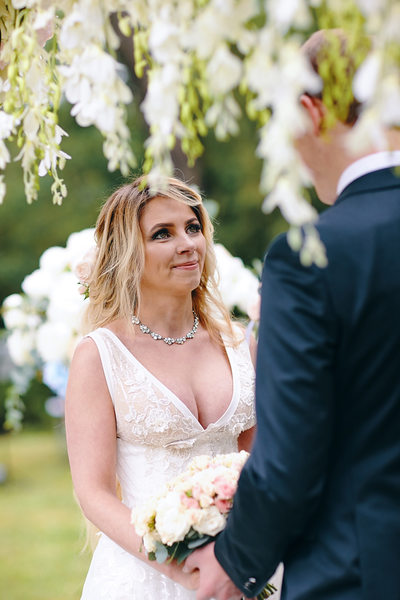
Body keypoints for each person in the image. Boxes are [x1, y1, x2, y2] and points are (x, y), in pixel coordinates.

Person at [185, 29, 400, 600]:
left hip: (364, 572)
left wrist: (235, 560)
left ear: (312, 111)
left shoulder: (312, 256)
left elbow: (290, 454)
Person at [65, 175, 257, 599]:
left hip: (243, 563)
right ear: (127, 253)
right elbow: (93, 493)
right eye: (162, 234)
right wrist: (179, 568)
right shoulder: (100, 355)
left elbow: (258, 459)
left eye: (192, 227)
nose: (188, 243)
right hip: (145, 575)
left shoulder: (239, 343)